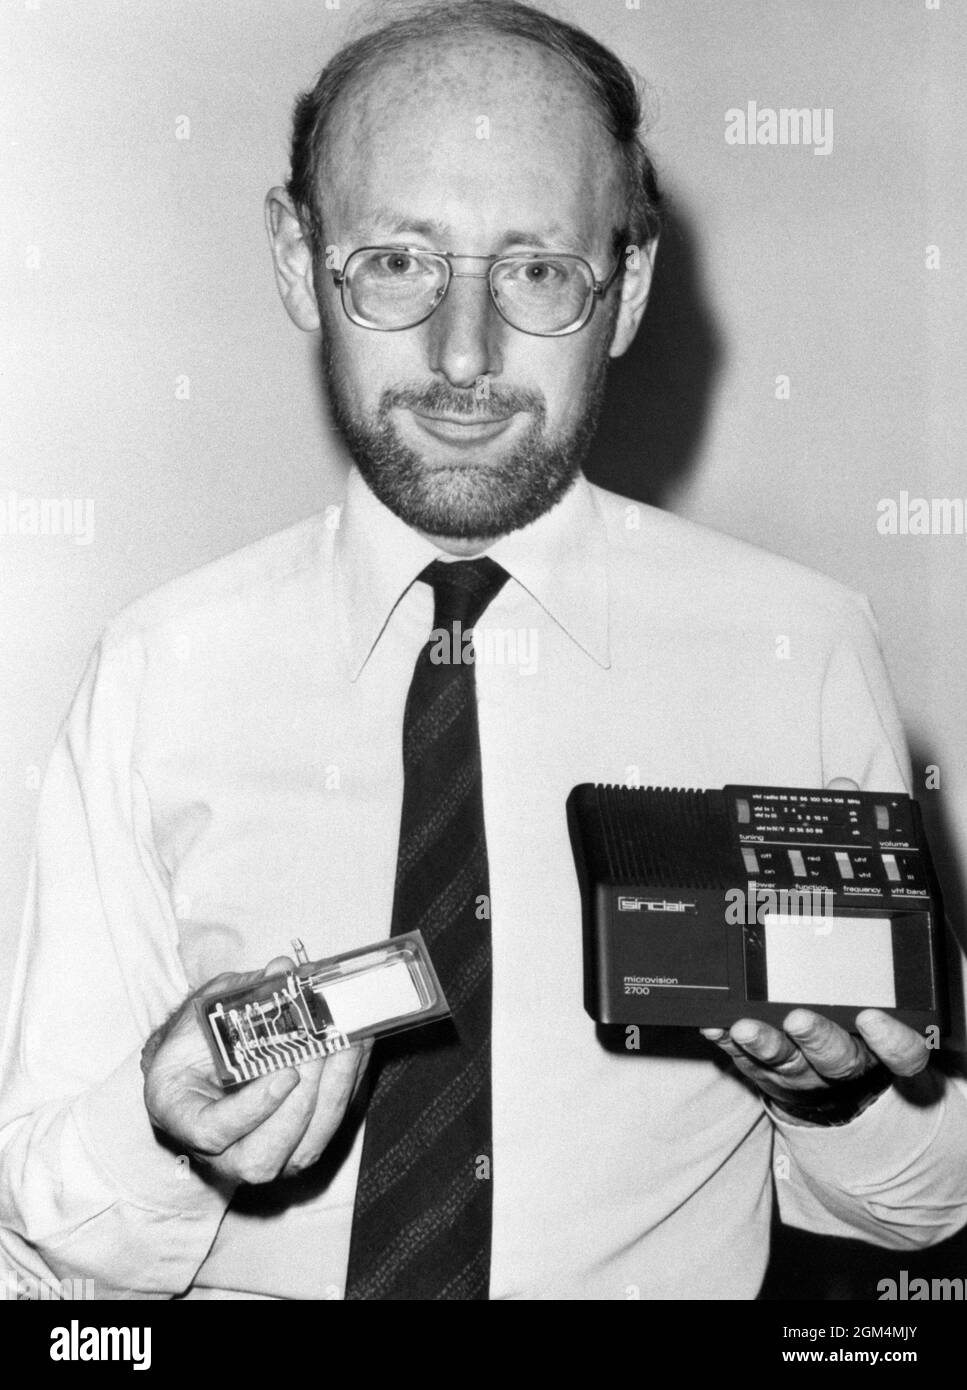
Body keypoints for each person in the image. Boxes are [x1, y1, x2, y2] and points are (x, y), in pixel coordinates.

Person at [1, 0, 965, 1301]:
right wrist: (166, 1126)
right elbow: (53, 1268)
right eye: (396, 262)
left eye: (535, 271)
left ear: (624, 287)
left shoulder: (797, 648)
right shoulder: (156, 668)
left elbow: (924, 1208)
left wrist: (845, 1091)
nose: (464, 357)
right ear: (298, 259)